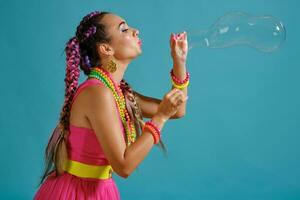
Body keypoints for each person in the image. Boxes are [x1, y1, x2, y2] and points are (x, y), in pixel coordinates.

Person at [33, 10, 189, 199]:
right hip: (76, 193)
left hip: (101, 189)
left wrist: (179, 62)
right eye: (124, 29)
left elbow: (178, 110)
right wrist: (160, 117)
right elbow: (124, 166)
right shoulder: (97, 93)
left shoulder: (118, 92)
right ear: (106, 49)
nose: (135, 31)